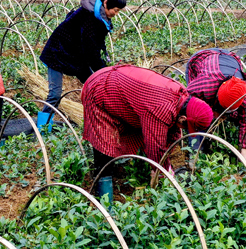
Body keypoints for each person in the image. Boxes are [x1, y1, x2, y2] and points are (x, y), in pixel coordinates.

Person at [81, 64, 214, 203]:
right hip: (100, 89)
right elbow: (154, 146)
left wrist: (167, 167)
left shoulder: (182, 99)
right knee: (105, 150)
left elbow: (172, 133)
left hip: (121, 88)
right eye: (185, 126)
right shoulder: (161, 108)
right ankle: (104, 203)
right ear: (183, 118)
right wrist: (159, 172)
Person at [37, 0, 126, 131]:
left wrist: (104, 67)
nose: (116, 14)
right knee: (55, 94)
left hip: (75, 54)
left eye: (118, 11)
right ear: (105, 3)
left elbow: (96, 46)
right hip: (57, 53)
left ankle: (101, 119)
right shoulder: (89, 17)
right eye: (115, 10)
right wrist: (103, 72)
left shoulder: (100, 16)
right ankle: (42, 129)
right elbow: (91, 52)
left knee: (95, 86)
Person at [185, 48, 246, 159]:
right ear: (217, 95)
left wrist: (243, 154)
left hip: (229, 58)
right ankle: (196, 153)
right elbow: (186, 102)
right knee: (196, 113)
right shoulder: (203, 86)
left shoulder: (244, 95)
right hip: (201, 59)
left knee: (239, 116)